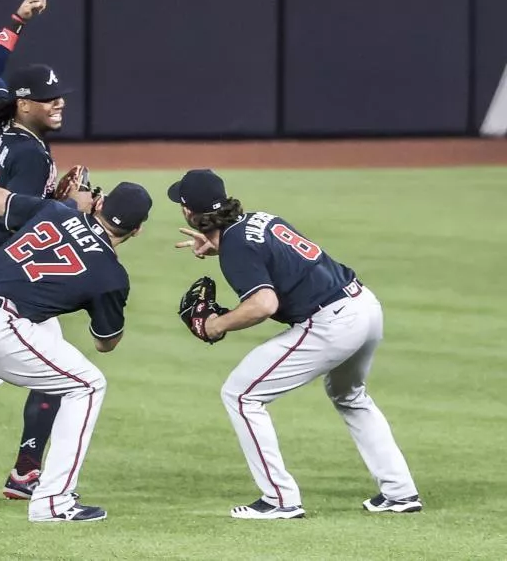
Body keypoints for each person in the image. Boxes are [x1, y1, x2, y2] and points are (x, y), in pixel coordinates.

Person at [169, 169, 420, 520]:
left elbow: (264, 305)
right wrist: (221, 247)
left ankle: (279, 500)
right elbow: (270, 256)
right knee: (350, 396)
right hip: (364, 306)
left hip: (333, 324)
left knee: (241, 395)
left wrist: (215, 325)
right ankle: (400, 493)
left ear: (187, 212)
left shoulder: (236, 246)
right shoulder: (259, 219)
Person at [0, 164, 152, 522]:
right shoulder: (111, 276)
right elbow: (105, 343)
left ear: (99, 203)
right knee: (89, 385)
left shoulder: (58, 210)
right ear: (137, 230)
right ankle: (54, 502)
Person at [0, 0, 83, 499]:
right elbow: (24, 220)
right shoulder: (29, 153)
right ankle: (27, 471)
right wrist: (70, 205)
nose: (60, 103)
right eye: (50, 98)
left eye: (61, 96)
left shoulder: (1, 114)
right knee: (58, 368)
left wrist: (15, 22)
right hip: (4, 272)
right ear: (25, 103)